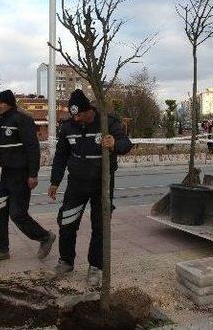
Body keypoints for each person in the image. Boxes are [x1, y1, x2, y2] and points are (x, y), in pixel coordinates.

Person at [48, 89, 133, 287]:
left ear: (88, 110)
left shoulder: (107, 122)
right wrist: (55, 181)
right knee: (67, 222)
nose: (76, 119)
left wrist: (114, 144)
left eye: (79, 115)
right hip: (76, 183)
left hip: (101, 184)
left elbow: (126, 144)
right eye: (73, 115)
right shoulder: (68, 127)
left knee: (100, 226)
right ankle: (66, 261)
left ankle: (95, 267)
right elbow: (61, 156)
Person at [0, 90, 55, 263]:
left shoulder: (22, 120)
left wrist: (33, 175)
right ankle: (1, 250)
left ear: (8, 103)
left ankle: (45, 237)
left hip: (21, 175)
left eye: (0, 102)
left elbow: (32, 148)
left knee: (17, 213)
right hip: (6, 176)